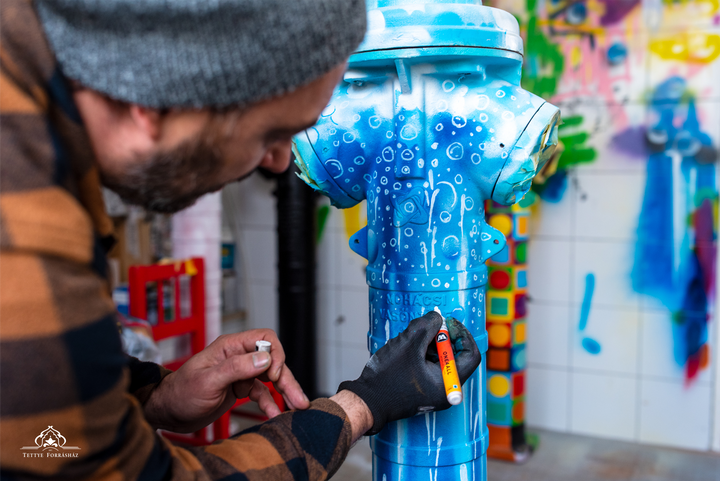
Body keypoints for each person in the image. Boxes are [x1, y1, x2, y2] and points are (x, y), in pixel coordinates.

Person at [0, 1, 482, 479]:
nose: (278, 162)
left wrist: (157, 394)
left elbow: (41, 424)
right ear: (155, 103)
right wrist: (363, 404)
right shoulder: (24, 230)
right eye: (270, 134)